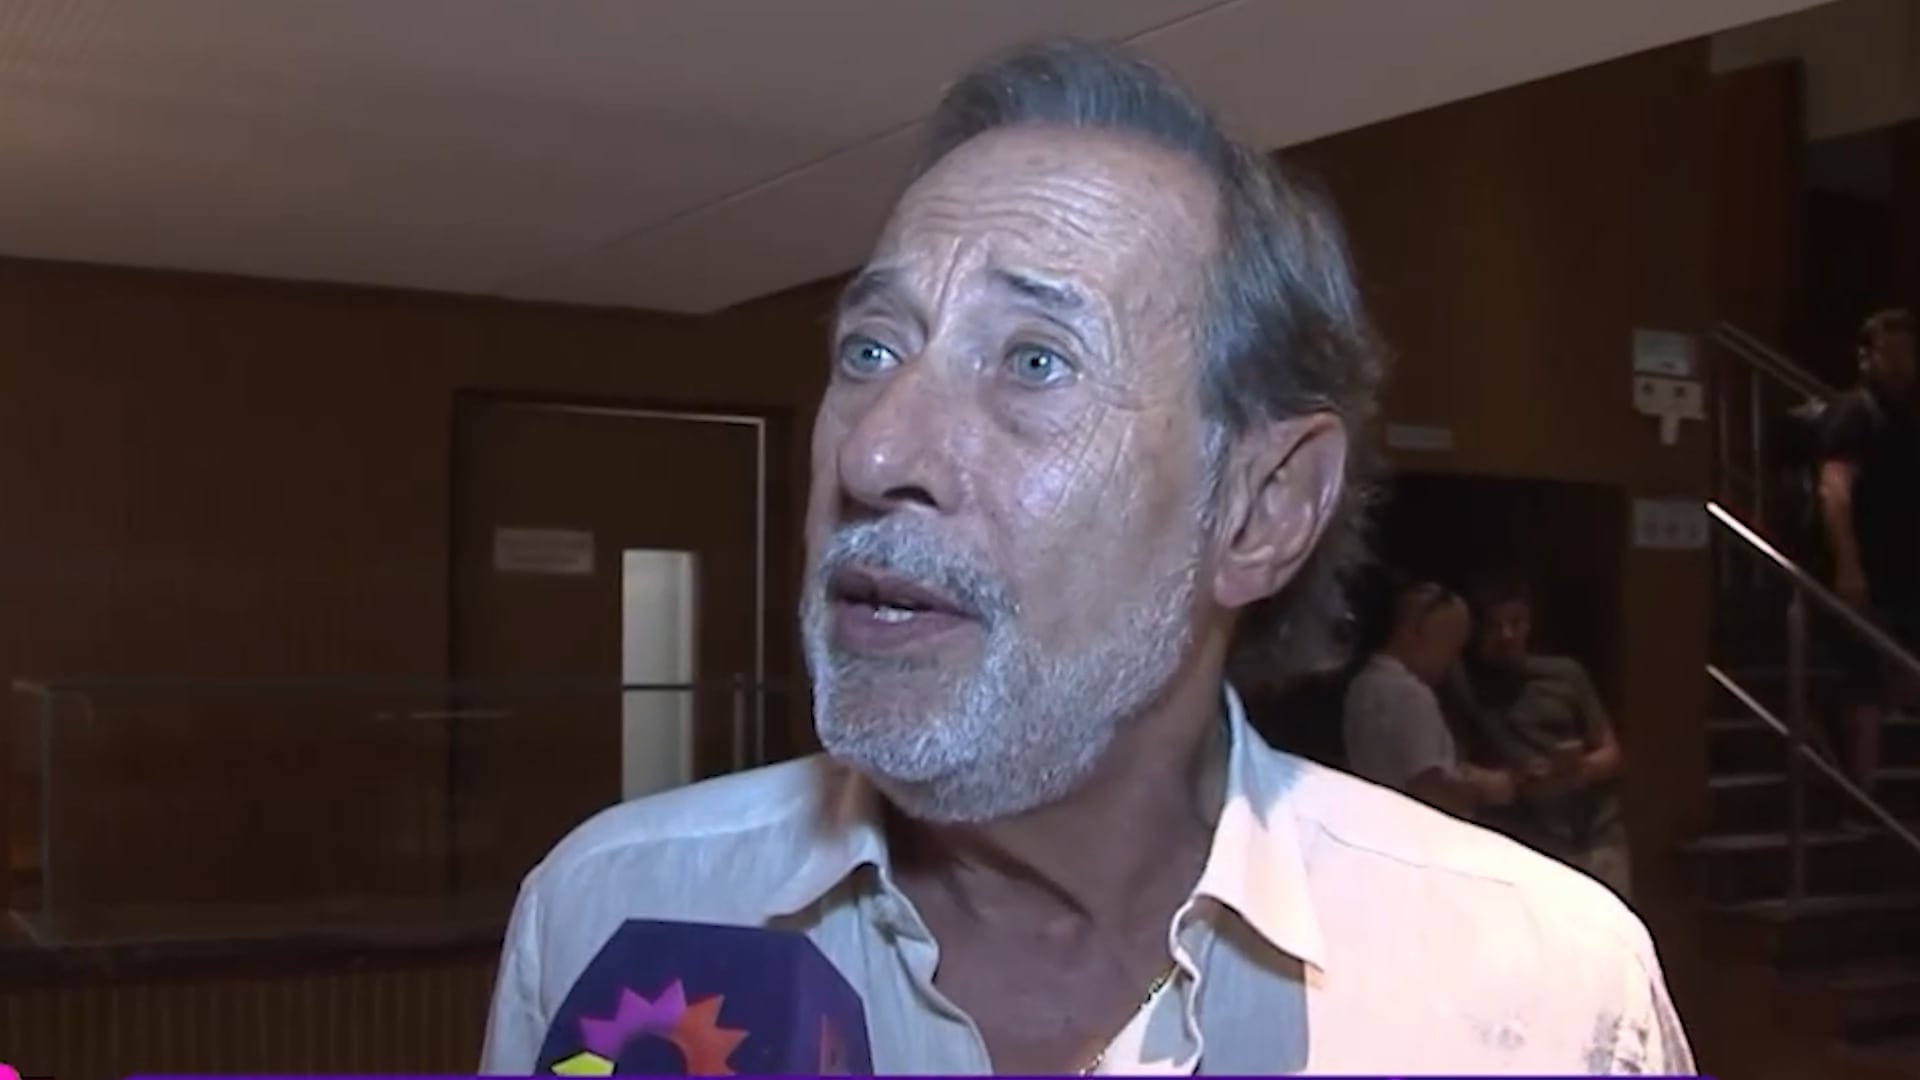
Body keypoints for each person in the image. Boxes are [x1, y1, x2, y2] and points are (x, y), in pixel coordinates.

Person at [481, 39, 1690, 1075]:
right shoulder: (608, 911)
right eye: (871, 350)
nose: (877, 450)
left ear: (1262, 508)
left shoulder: (1537, 991)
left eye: (1035, 361)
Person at [1458, 572, 1631, 899]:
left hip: (1593, 834)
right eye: (1495, 626)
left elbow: (1611, 754)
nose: (1507, 635)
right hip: (1522, 840)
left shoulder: (1564, 674)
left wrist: (1574, 770)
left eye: (1515, 623)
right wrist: (1518, 780)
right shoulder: (1463, 685)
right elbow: (1454, 768)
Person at [1815, 308, 1920, 810]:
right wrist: (1848, 563)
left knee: (1893, 676)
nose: (1901, 365)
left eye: (1908, 354)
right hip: (1866, 569)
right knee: (1862, 684)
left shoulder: (1907, 420)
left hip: (1902, 571)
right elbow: (1834, 488)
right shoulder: (1853, 413)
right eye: (1890, 354)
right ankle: (1860, 796)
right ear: (1867, 358)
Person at [1343, 581, 1518, 818]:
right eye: (1449, 643)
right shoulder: (1411, 696)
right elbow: (1430, 791)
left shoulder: (1363, 684)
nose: (1452, 660)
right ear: (1412, 633)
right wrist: (1486, 789)